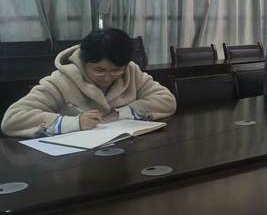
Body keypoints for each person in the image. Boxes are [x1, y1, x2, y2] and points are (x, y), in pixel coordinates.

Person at [2, 28, 176, 138]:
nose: (108, 77)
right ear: (83, 62)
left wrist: (120, 114)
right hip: (73, 162)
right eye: (99, 70)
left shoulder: (131, 71)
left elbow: (166, 100)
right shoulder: (61, 80)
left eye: (116, 70)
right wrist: (74, 123)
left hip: (126, 149)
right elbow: (13, 118)